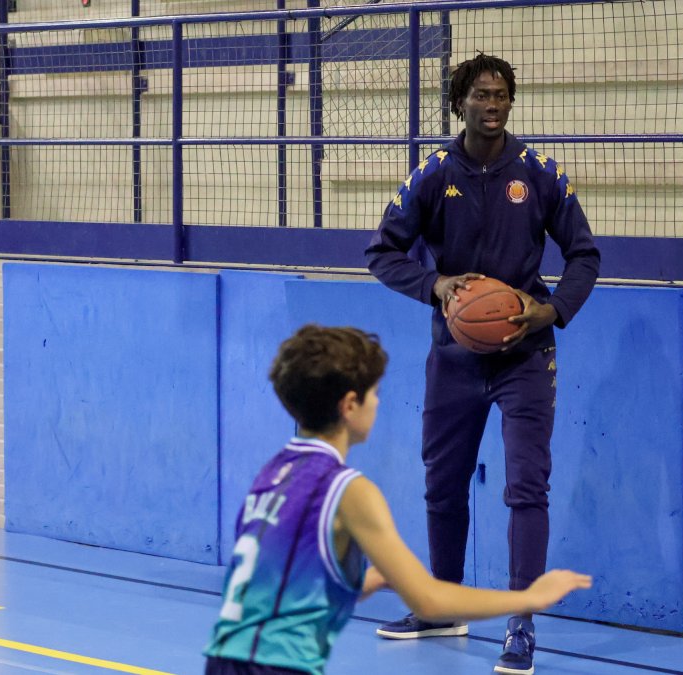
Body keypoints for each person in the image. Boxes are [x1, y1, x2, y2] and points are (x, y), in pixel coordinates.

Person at [364, 53, 600, 675]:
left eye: (502, 96)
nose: (492, 106)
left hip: (526, 356)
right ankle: (442, 605)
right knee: (443, 483)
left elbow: (585, 256)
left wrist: (552, 311)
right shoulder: (432, 174)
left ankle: (520, 623)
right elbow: (381, 251)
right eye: (481, 96)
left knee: (526, 487)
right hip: (455, 354)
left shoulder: (541, 174)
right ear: (459, 102)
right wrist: (435, 286)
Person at [204, 325, 592, 675]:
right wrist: (530, 596)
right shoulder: (352, 492)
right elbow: (431, 601)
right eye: (374, 392)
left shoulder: (271, 474)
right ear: (350, 405)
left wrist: (372, 578)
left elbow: (288, 583)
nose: (378, 402)